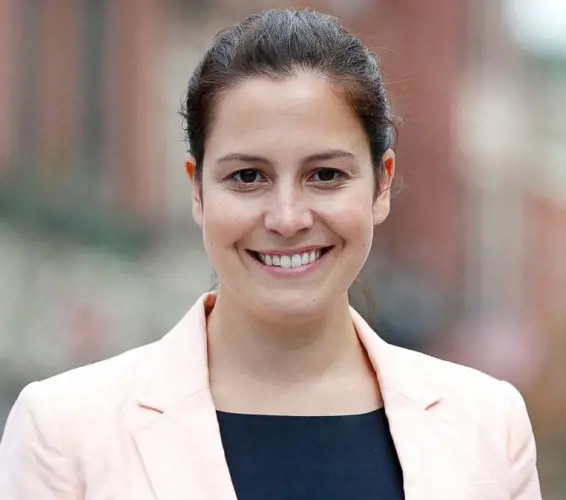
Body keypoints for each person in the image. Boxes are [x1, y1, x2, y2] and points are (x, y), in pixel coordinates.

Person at [0, 8, 541, 500]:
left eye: (325, 175)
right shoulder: (66, 433)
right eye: (248, 176)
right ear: (197, 191)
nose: (287, 217)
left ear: (381, 185)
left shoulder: (488, 428)